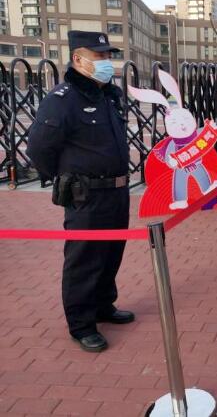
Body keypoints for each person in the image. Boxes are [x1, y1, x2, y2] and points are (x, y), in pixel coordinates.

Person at [26, 31, 133, 352]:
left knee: (111, 254)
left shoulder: (108, 96)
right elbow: (39, 148)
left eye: (108, 56)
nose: (106, 62)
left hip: (117, 191)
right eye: (99, 56)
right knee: (84, 260)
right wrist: (64, 178)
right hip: (86, 194)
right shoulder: (63, 99)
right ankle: (81, 324)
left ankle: (103, 305)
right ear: (78, 59)